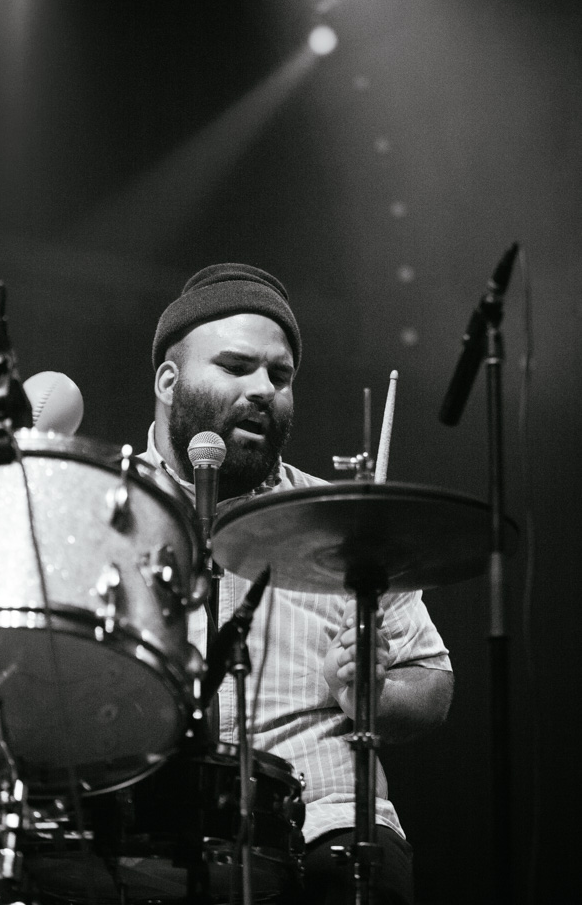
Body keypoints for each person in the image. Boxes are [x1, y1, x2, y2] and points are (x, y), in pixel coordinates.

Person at [141, 263, 454, 904]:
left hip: (321, 820)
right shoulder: (100, 511)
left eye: (279, 377)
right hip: (147, 820)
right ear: (169, 382)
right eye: (236, 367)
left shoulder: (344, 522)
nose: (263, 390)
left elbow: (432, 686)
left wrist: (373, 693)